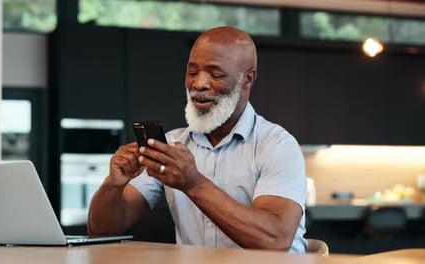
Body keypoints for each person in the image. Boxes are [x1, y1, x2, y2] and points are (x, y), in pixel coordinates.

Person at [88, 26, 307, 253]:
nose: (199, 84)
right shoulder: (173, 144)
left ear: (247, 79)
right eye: (192, 72)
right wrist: (113, 185)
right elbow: (102, 232)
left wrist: (193, 183)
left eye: (216, 74)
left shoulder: (277, 146)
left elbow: (275, 239)